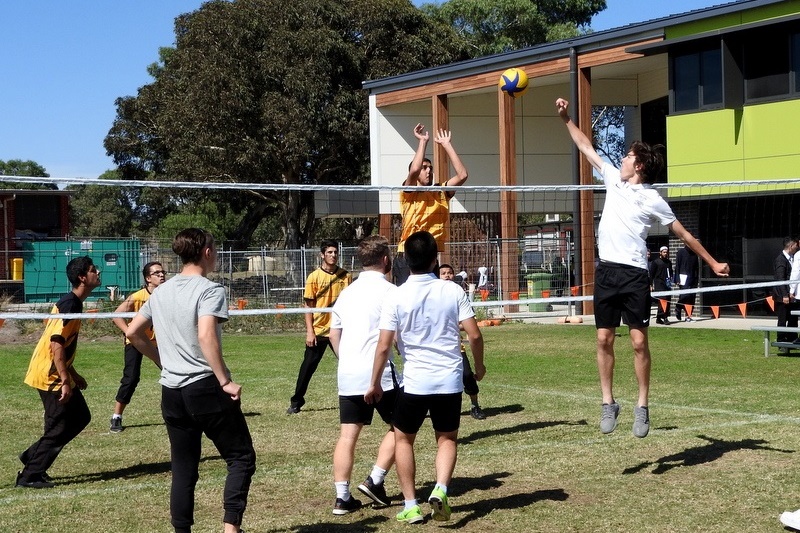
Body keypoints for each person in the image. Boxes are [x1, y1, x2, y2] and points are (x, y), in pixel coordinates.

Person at [555, 97, 730, 438]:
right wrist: (565, 118)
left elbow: (684, 233)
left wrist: (711, 261)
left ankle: (642, 406)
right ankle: (608, 402)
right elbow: (584, 145)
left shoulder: (652, 198)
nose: (620, 159)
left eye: (627, 156)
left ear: (638, 166)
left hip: (635, 275)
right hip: (606, 272)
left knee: (637, 342)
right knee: (604, 338)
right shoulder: (612, 179)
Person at [127, 228, 255, 533]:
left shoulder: (160, 292)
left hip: (171, 392)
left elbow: (132, 333)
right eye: (216, 249)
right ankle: (231, 528)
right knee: (241, 457)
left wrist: (161, 360)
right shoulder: (210, 290)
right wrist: (225, 380)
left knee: (183, 469)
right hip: (203, 387)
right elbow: (206, 335)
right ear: (207, 252)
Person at [367, 231, 485, 524]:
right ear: (436, 259)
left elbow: (384, 345)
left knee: (404, 440)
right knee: (446, 438)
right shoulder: (453, 290)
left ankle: (410, 504)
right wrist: (479, 367)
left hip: (416, 381)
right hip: (448, 379)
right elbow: (474, 334)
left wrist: (373, 383)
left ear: (405, 260)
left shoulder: (396, 295)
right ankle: (441, 489)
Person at [17, 256, 107, 488]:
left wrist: (73, 375)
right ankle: (29, 475)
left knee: (78, 417)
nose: (98, 272)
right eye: (93, 270)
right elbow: (56, 345)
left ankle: (32, 457)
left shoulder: (73, 303)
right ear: (82, 278)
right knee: (60, 425)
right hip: (50, 375)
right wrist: (66, 381)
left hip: (55, 371)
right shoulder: (70, 305)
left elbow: (63, 346)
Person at [328, 235, 399, 515]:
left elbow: (334, 334)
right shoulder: (391, 291)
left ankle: (342, 498)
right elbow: (394, 336)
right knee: (402, 427)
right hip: (377, 373)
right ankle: (376, 479)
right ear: (385, 260)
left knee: (347, 436)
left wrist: (346, 359)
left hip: (348, 371)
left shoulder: (347, 292)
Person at [392, 123, 469, 286]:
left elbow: (462, 175)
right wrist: (422, 142)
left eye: (430, 168)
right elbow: (414, 170)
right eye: (424, 168)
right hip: (407, 254)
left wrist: (446, 145)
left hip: (430, 255)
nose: (428, 171)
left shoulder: (440, 191)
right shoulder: (409, 192)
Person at [287, 239, 352, 414]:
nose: (333, 255)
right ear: (322, 255)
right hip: (319, 330)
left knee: (351, 364)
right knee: (307, 367)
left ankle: (359, 399)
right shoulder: (314, 277)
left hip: (339, 331)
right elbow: (308, 306)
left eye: (335, 252)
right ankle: (296, 402)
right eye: (329, 252)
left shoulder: (345, 276)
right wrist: (310, 331)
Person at [109, 261, 166, 432]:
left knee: (173, 372)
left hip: (158, 342)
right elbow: (117, 315)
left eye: (163, 272)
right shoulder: (138, 297)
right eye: (157, 273)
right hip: (136, 342)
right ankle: (116, 417)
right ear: (148, 278)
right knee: (131, 378)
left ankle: (183, 411)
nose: (162, 275)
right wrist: (129, 333)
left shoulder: (167, 294)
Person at [439, 263, 487, 420]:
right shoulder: (434, 295)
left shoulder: (457, 294)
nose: (447, 275)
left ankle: (475, 405)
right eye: (443, 273)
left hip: (455, 346)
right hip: (436, 347)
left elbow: (467, 324)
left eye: (450, 273)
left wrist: (455, 325)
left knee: (467, 374)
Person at [772, 236, 799, 342]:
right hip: (782, 296)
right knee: (782, 319)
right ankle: (781, 340)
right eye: (796, 246)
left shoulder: (792, 258)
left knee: (793, 318)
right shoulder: (781, 260)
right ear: (791, 246)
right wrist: (784, 295)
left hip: (792, 295)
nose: (797, 248)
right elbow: (780, 279)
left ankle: (792, 338)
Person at [674, 245, 699, 322]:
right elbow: (677, 266)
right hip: (683, 277)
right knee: (685, 295)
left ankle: (688, 316)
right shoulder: (681, 252)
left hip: (693, 278)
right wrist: (677, 278)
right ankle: (678, 306)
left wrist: (696, 279)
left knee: (691, 297)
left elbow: (696, 267)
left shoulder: (694, 254)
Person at [649, 246, 673, 325]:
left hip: (667, 283)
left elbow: (671, 272)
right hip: (659, 283)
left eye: (666, 252)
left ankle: (659, 318)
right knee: (662, 300)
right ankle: (664, 317)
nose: (665, 254)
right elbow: (651, 274)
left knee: (668, 300)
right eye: (664, 252)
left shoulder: (668, 262)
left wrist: (671, 280)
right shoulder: (656, 262)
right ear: (660, 253)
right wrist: (651, 284)